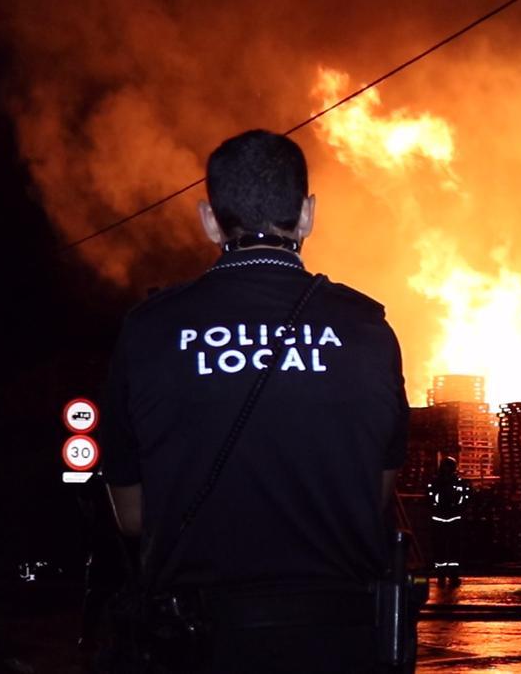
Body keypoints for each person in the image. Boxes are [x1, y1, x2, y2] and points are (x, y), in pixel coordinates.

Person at [101, 129, 409, 673]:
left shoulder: (149, 331)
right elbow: (377, 493)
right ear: (308, 214)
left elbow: (131, 516)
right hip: (339, 642)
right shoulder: (367, 329)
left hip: (201, 644)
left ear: (210, 220)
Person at [426, 455, 470, 586]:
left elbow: (466, 498)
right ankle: (448, 574)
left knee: (445, 547)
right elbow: (466, 499)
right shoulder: (458, 483)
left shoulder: (437, 483)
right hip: (447, 518)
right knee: (449, 547)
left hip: (445, 518)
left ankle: (446, 574)